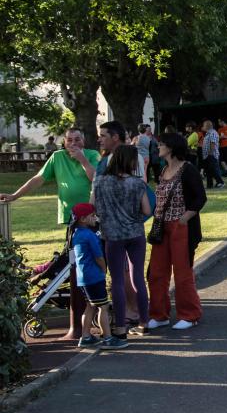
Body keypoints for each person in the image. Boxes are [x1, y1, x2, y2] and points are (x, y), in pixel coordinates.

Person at [0, 128, 100, 339]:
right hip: (70, 218)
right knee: (71, 263)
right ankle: (79, 318)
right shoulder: (57, 157)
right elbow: (38, 179)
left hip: (90, 218)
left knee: (84, 263)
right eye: (69, 140)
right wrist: (16, 195)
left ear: (84, 140)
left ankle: (88, 314)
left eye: (77, 140)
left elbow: (96, 179)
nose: (73, 143)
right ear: (63, 142)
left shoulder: (91, 155)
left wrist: (82, 160)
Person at [147, 133, 206, 330]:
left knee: (182, 273)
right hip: (162, 227)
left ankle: (189, 314)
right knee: (156, 272)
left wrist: (184, 218)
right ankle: (159, 314)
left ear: (171, 147)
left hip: (181, 227)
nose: (158, 148)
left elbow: (200, 197)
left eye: (161, 144)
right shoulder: (163, 169)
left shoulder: (188, 169)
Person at [91, 145, 151, 337]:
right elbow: (147, 211)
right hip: (135, 233)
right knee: (138, 279)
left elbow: (92, 207)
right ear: (130, 161)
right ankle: (144, 322)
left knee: (116, 280)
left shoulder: (99, 182)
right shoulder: (137, 183)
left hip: (112, 235)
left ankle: (120, 327)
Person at [71, 203, 128, 349]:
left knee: (90, 306)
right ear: (83, 219)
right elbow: (99, 257)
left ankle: (86, 337)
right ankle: (108, 338)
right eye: (92, 216)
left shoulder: (76, 233)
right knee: (103, 307)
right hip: (94, 276)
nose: (95, 218)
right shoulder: (90, 236)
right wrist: (104, 269)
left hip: (83, 278)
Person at [201, 120, 225, 189]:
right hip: (207, 156)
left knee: (214, 169)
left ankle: (221, 182)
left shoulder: (213, 133)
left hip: (212, 155)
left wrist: (210, 154)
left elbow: (213, 143)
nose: (203, 127)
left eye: (204, 125)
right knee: (208, 171)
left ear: (208, 126)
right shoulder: (207, 133)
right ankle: (209, 185)